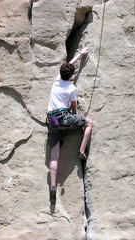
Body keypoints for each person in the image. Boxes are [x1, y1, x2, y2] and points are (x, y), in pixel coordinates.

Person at [47, 47, 92, 204]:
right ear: (72, 76)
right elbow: (73, 107)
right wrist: (74, 116)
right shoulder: (71, 88)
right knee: (88, 123)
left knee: (54, 155)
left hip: (52, 121)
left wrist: (79, 54)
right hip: (64, 119)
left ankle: (53, 186)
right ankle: (81, 151)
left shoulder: (57, 80)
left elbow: (68, 65)